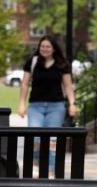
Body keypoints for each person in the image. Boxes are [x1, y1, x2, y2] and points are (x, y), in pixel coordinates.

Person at [19, 35, 77, 174]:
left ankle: (50, 171)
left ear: (54, 49)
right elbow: (25, 83)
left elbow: (68, 86)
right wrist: (21, 103)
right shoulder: (32, 62)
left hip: (56, 106)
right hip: (36, 106)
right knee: (35, 137)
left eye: (48, 46)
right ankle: (38, 165)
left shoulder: (62, 64)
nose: (44, 49)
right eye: (42, 46)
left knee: (52, 140)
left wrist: (72, 104)